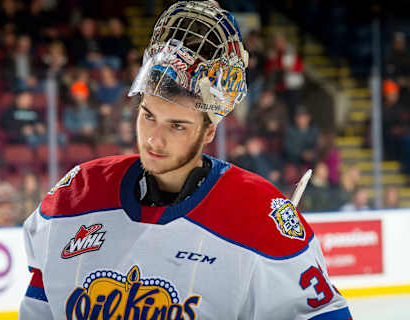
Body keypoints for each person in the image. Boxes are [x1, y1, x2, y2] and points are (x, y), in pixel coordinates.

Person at [19, 2, 353, 319]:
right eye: (147, 116)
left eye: (177, 126)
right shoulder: (76, 196)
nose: (154, 139)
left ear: (209, 131)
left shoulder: (259, 217)